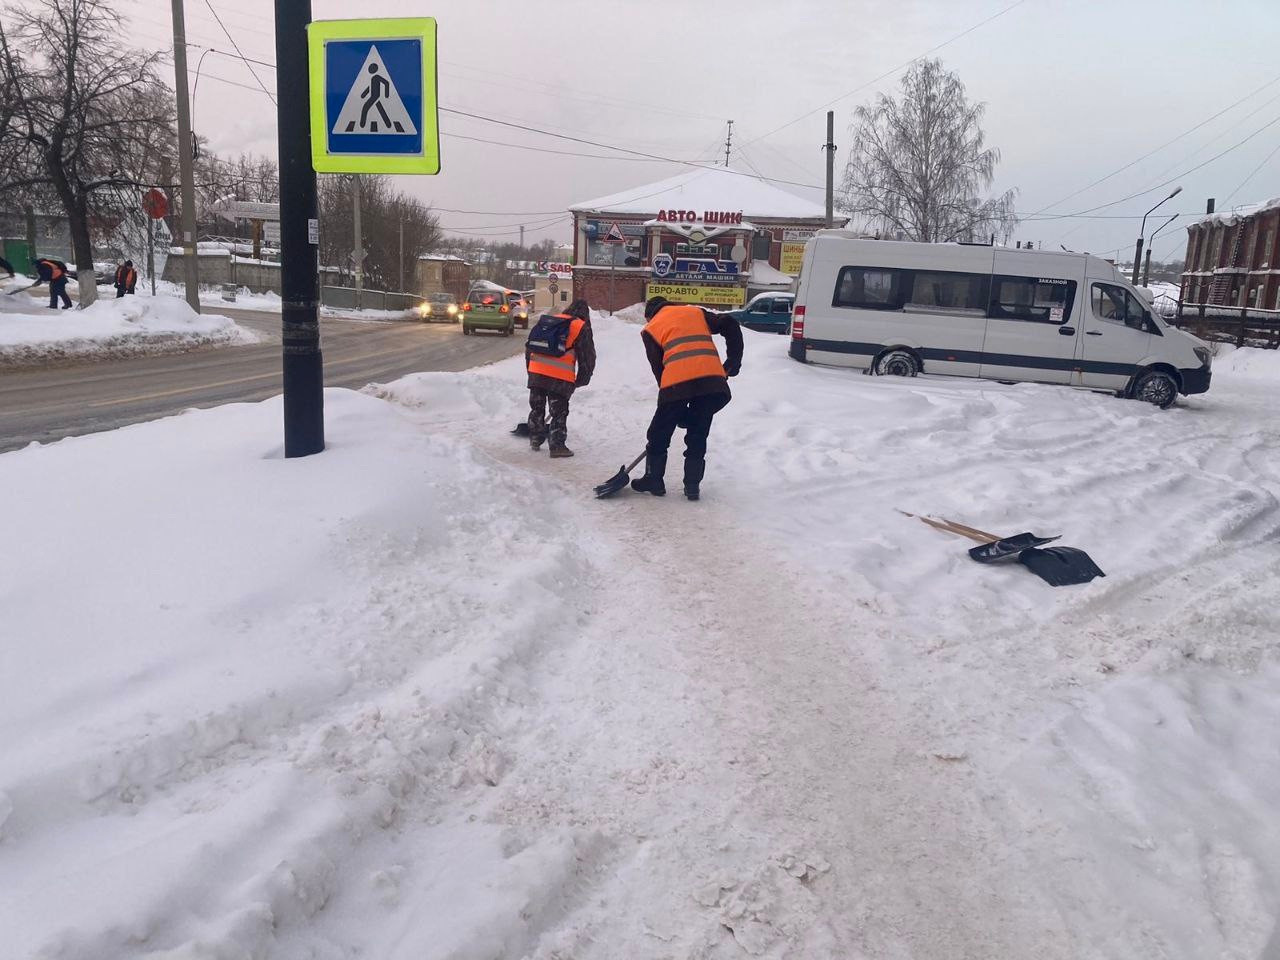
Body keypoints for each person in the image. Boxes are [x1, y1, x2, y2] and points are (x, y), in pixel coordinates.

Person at [632, 296, 743, 501]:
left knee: (658, 432)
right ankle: (692, 486)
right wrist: (733, 363)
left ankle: (654, 479)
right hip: (711, 381)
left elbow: (659, 370)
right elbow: (730, 323)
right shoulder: (695, 312)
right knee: (698, 431)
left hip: (676, 382)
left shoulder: (651, 328)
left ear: (650, 315)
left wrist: (672, 406)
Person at [525, 297, 595, 458]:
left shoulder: (549, 321)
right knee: (559, 412)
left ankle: (535, 438)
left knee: (537, 406)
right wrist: (582, 379)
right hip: (559, 376)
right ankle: (557, 446)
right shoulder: (580, 326)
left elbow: (529, 347)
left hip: (536, 371)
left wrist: (531, 371)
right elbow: (588, 357)